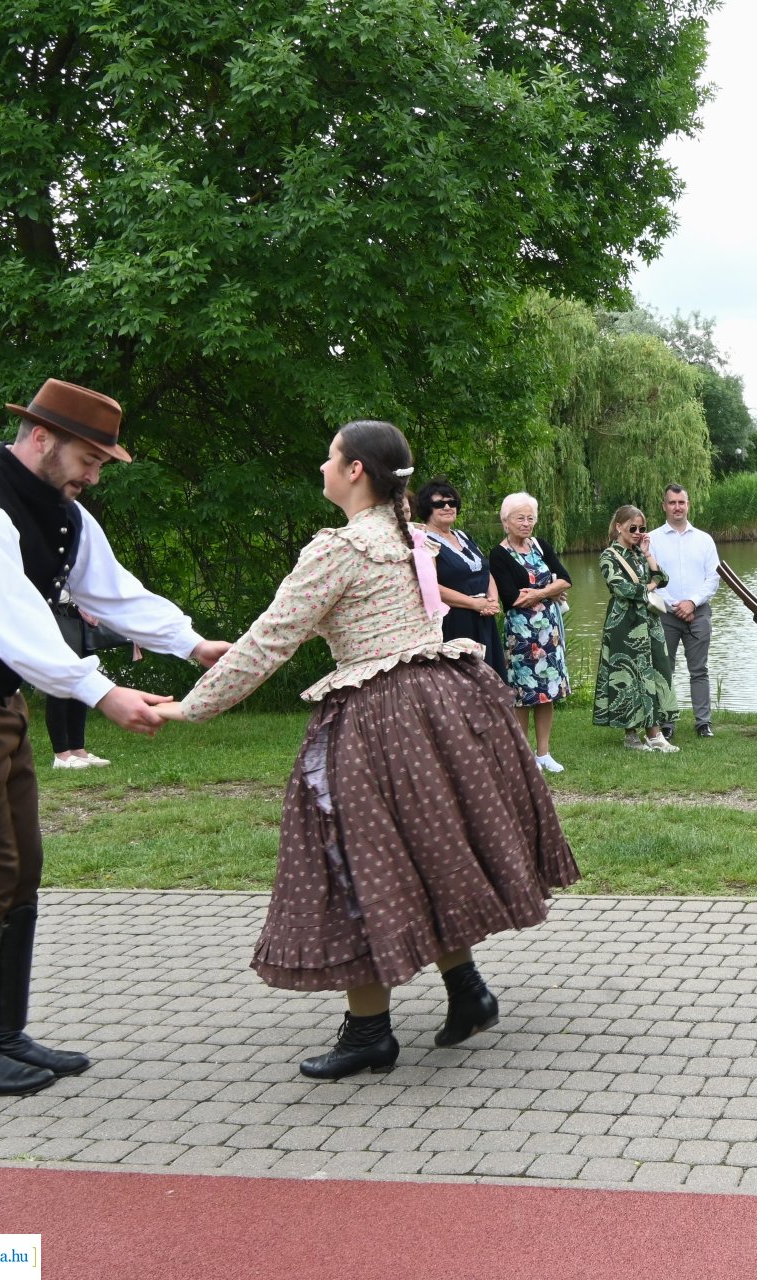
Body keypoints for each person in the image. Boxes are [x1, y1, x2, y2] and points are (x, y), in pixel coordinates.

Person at [158, 421, 579, 1080]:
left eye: (329, 457)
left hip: (382, 716)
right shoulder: (409, 536)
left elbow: (273, 640)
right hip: (445, 700)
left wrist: (192, 706)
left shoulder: (342, 549)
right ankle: (467, 990)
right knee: (426, 850)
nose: (321, 467)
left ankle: (369, 1033)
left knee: (355, 861)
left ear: (355, 470)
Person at [0, 379, 228, 1096]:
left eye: (103, 464)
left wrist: (193, 644)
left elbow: (115, 592)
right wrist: (102, 692)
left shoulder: (65, 515)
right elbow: (12, 621)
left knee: (20, 867)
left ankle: (3, 1035)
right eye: (90, 458)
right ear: (42, 437)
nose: (94, 474)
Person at [489, 492, 572, 773]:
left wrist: (540, 592)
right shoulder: (499, 554)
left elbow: (566, 580)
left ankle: (544, 753)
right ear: (506, 522)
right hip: (521, 634)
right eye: (520, 518)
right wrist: (551, 591)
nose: (526, 523)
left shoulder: (540, 545)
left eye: (530, 518)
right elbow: (512, 598)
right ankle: (523, 755)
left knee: (547, 692)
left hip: (550, 630)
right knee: (523, 694)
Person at [595, 505, 678, 752]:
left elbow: (663, 578)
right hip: (624, 623)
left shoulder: (638, 553)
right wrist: (650, 586)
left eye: (642, 528)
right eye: (633, 528)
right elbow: (623, 589)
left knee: (653, 671)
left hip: (648, 622)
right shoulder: (608, 556)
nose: (638, 532)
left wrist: (648, 553)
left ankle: (654, 733)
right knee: (628, 675)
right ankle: (634, 734)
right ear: (618, 526)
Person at [414, 479, 504, 677]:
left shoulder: (464, 536)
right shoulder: (424, 541)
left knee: (491, 679)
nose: (447, 507)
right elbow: (431, 587)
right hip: (455, 620)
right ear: (427, 508)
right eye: (439, 504)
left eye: (451, 503)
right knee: (465, 683)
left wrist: (492, 601)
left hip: (483, 617)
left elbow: (484, 570)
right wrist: (474, 604)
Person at [652, 483, 719, 741]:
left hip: (699, 613)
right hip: (666, 614)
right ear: (664, 506)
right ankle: (666, 723)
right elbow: (653, 578)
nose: (677, 507)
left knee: (699, 670)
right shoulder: (654, 539)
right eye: (672, 503)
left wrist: (691, 602)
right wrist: (676, 606)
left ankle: (703, 723)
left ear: (687, 505)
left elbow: (713, 577)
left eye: (681, 502)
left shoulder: (704, 539)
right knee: (665, 669)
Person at [45, 605, 117, 769]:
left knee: (82, 679)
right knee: (60, 683)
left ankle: (77, 750)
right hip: (55, 617)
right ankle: (61, 755)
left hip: (79, 617)